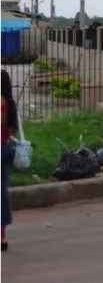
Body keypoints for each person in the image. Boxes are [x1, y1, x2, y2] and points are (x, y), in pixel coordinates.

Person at [1, 70, 18, 252]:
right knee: (3, 191)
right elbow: (10, 129)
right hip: (7, 147)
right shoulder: (10, 104)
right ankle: (2, 236)